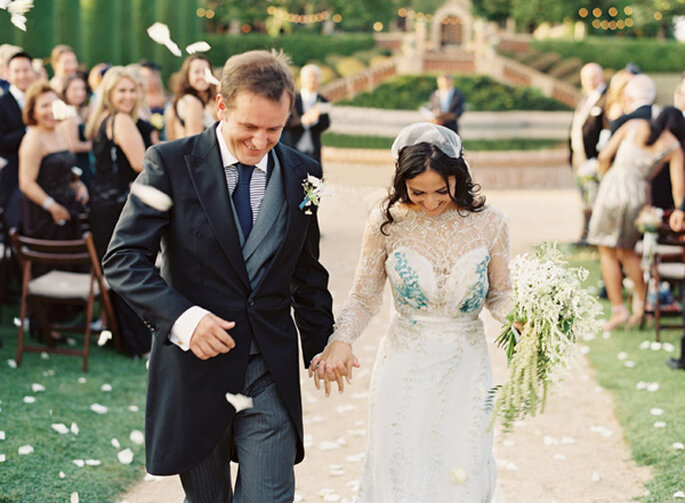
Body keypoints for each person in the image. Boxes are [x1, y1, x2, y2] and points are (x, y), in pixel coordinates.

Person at [102, 50, 335, 502]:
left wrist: (322, 343)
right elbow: (124, 257)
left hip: (269, 367)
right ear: (221, 107)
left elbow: (306, 270)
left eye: (274, 129)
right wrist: (183, 320)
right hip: (196, 372)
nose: (260, 141)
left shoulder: (306, 174)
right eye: (249, 126)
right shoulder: (168, 163)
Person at [312, 122, 512, 501]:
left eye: (441, 190)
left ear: (458, 176)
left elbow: (500, 296)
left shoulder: (491, 222)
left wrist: (526, 319)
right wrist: (341, 340)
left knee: (464, 469)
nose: (431, 202)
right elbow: (363, 298)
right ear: (401, 182)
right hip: (404, 365)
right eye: (417, 191)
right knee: (400, 467)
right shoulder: (387, 223)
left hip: (466, 367)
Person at [588, 106, 685, 331]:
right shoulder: (674, 147)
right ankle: (641, 305)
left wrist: (605, 176)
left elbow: (604, 156)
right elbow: (679, 192)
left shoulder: (633, 126)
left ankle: (618, 310)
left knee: (607, 251)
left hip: (612, 189)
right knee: (628, 251)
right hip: (637, 196)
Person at [85, 66, 149, 357]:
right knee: (130, 269)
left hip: (102, 204)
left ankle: (121, 338)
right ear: (109, 93)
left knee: (117, 270)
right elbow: (141, 164)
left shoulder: (101, 119)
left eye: (132, 90)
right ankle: (133, 343)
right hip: (117, 206)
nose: (128, 96)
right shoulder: (121, 120)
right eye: (121, 90)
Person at [569, 62, 607, 246]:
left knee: (594, 200)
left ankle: (593, 237)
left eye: (593, 77)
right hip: (579, 158)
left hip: (594, 160)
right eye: (586, 78)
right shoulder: (585, 99)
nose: (590, 82)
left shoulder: (605, 100)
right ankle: (585, 234)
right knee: (584, 200)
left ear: (601, 77)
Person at [0, 51, 37, 229]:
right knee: (14, 224)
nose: (22, 75)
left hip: (40, 176)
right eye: (17, 71)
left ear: (33, 72)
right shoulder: (2, 102)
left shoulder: (40, 99)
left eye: (26, 70)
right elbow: (2, 141)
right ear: (8, 73)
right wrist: (30, 131)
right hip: (12, 175)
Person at [281, 64, 331, 164]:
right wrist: (303, 121)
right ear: (302, 79)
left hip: (313, 148)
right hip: (292, 145)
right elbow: (285, 121)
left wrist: (315, 121)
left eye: (315, 77)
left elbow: (326, 123)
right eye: (309, 77)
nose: (312, 80)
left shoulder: (323, 100)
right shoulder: (292, 99)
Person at [164, 54, 217, 140]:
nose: (202, 76)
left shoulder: (181, 100)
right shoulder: (193, 103)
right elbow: (195, 140)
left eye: (206, 72)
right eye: (197, 72)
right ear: (187, 75)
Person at [57, 73, 93, 187]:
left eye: (82, 89)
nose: (80, 93)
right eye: (75, 89)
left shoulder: (82, 112)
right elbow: (73, 145)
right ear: (65, 91)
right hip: (78, 167)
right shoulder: (67, 114)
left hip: (86, 165)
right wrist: (95, 145)